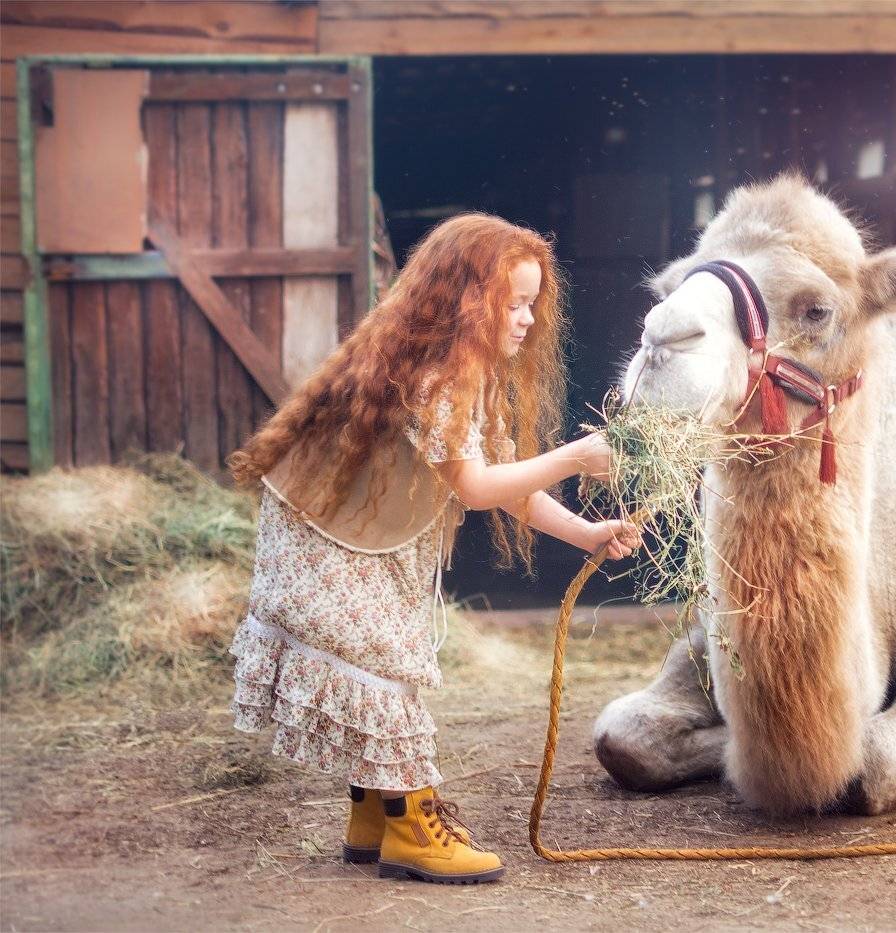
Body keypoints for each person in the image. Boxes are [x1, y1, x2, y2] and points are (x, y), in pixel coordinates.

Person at [226, 213, 639, 885]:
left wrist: (586, 533)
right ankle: (412, 826)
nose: (528, 319)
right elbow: (476, 488)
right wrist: (575, 456)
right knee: (388, 660)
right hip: (327, 535)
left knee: (389, 652)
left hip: (360, 532)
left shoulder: (471, 375)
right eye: (515, 304)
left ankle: (376, 816)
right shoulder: (437, 377)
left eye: (533, 305)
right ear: (471, 303)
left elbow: (509, 485)